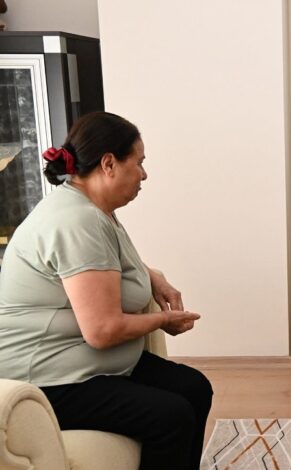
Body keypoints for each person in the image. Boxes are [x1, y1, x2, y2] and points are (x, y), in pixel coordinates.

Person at [0, 112, 213, 470]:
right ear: (109, 163)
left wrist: (153, 277)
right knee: (171, 416)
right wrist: (163, 320)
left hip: (80, 363)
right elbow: (102, 331)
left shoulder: (91, 208)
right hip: (44, 378)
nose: (144, 174)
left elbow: (101, 263)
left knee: (194, 388)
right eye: (139, 162)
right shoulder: (77, 220)